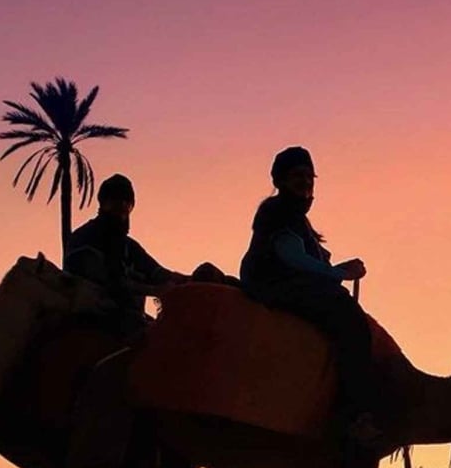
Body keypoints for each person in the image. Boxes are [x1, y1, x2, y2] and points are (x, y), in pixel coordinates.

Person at [238, 146, 381, 448]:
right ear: (281, 180)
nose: (305, 182)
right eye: (297, 176)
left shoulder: (296, 218)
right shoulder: (278, 212)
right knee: (348, 319)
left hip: (287, 285)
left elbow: (306, 261)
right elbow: (291, 257)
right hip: (274, 286)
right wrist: (338, 274)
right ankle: (354, 415)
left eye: (309, 176)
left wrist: (335, 272)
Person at [64, 174, 205, 326]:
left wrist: (193, 280)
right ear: (103, 203)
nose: (122, 208)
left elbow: (158, 273)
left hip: (130, 320)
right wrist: (155, 290)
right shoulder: (84, 238)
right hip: (91, 321)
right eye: (115, 202)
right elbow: (108, 282)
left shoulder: (129, 246)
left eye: (127, 204)